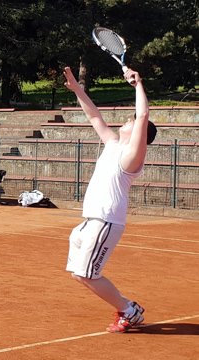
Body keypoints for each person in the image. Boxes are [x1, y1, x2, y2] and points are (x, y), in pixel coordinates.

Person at [63, 65, 157, 333]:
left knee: (87, 274)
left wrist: (138, 84)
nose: (127, 120)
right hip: (91, 221)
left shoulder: (132, 157)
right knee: (79, 273)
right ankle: (129, 307)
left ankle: (129, 310)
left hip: (106, 220)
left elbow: (143, 115)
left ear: (140, 134)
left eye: (131, 121)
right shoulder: (113, 144)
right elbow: (94, 117)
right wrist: (78, 89)